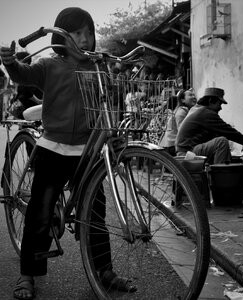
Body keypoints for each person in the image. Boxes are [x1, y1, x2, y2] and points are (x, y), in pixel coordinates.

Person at [0, 7, 136, 300]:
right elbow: (23, 74)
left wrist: (111, 136)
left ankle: (105, 270)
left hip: (88, 152)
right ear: (63, 35)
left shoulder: (98, 68)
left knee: (95, 213)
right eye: (77, 33)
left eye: (89, 33)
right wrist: (10, 63)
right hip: (54, 148)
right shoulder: (50, 65)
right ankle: (27, 275)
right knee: (40, 213)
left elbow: (106, 104)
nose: (85, 39)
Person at [175, 87, 243, 164]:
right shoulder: (205, 112)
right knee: (221, 142)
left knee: (220, 141)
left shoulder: (197, 109)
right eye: (220, 104)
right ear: (211, 101)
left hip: (186, 151)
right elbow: (229, 132)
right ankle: (220, 177)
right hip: (188, 153)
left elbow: (222, 131)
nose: (220, 108)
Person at [159, 89, 197, 156]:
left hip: (171, 144)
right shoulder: (181, 112)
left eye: (194, 95)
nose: (194, 97)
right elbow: (183, 132)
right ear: (183, 100)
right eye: (190, 95)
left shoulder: (184, 110)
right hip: (172, 146)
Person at [8, 52, 43, 119]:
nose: (15, 63)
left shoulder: (28, 73)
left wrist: (38, 101)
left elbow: (27, 93)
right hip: (27, 108)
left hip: (30, 108)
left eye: (17, 60)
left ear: (24, 61)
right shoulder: (22, 74)